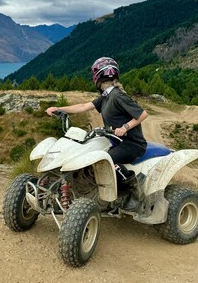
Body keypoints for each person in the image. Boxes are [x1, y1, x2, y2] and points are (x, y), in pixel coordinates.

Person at [46, 57, 148, 211]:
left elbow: (143, 114)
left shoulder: (117, 95)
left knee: (107, 160)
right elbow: (83, 106)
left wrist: (125, 127)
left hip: (132, 143)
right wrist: (59, 109)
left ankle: (135, 192)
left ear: (99, 75)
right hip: (115, 141)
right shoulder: (106, 96)